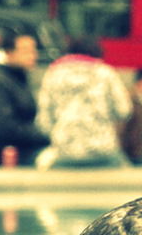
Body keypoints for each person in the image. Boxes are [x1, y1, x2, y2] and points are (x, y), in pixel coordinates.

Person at [36, 37, 132, 168]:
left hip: (64, 152)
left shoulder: (53, 74)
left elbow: (44, 122)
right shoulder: (106, 73)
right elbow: (124, 111)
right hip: (103, 152)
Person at [0, 32, 50, 166]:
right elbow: (4, 127)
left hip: (18, 152)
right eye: (26, 51)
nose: (33, 55)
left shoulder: (18, 80)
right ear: (9, 53)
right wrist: (45, 136)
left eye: (34, 50)